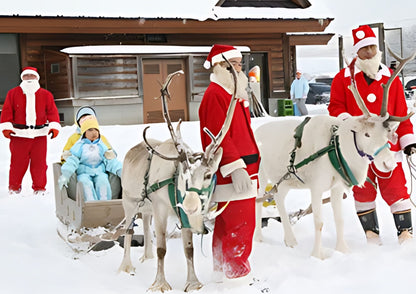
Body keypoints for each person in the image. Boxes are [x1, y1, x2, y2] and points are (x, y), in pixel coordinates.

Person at [328, 25, 416, 244]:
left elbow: (401, 114)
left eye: (372, 47)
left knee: (396, 188)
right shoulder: (343, 79)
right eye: (363, 48)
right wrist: (351, 122)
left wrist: (408, 140)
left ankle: (405, 234)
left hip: (387, 148)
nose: (368, 52)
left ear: (378, 49)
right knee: (363, 190)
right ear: (356, 52)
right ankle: (371, 234)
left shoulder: (391, 79)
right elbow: (335, 108)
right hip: (357, 148)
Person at [199, 44, 261, 280]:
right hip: (235, 172)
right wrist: (235, 167)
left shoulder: (231, 93)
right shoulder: (216, 94)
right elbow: (216, 135)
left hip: (246, 169)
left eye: (239, 64)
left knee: (227, 228)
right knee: (240, 227)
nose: (240, 68)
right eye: (235, 65)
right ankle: (236, 279)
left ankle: (221, 275)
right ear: (221, 66)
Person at [0, 67, 61, 196]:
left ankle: (39, 188)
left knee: (39, 164)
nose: (29, 78)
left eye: (31, 76)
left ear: (36, 78)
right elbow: (7, 111)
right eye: (26, 76)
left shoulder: (46, 94)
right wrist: (6, 127)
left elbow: (52, 112)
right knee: (17, 164)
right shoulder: (13, 93)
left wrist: (54, 126)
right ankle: (14, 188)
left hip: (39, 136)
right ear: (22, 78)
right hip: (19, 135)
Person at [58, 116, 122, 201]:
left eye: (96, 130)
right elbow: (72, 161)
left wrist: (122, 171)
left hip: (99, 172)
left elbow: (111, 160)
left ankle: (105, 206)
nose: (94, 133)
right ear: (84, 132)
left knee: (103, 182)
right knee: (85, 184)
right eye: (90, 130)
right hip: (84, 173)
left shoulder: (101, 146)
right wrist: (66, 174)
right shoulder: (79, 146)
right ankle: (90, 206)